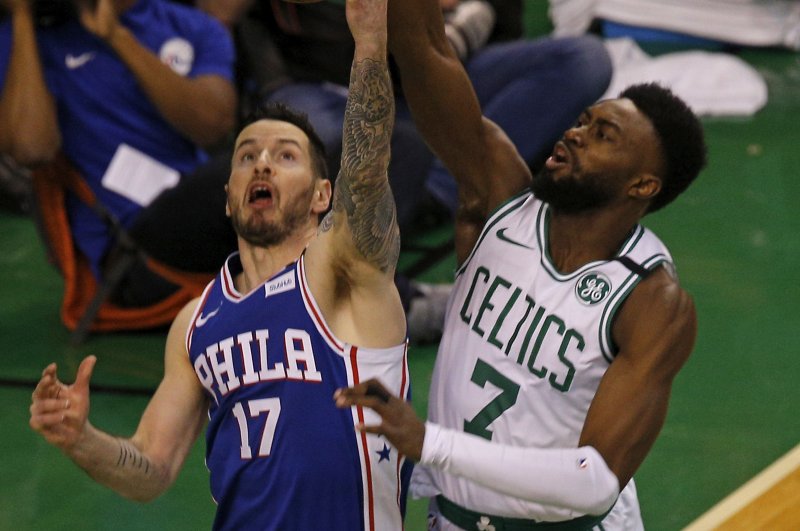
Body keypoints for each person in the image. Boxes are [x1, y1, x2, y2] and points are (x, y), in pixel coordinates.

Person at [29, 0, 411, 528]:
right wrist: (82, 439)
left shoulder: (342, 276)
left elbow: (367, 174)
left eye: (285, 155)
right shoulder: (195, 323)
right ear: (228, 196)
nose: (262, 162)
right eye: (247, 154)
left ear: (324, 194)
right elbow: (150, 467)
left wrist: (369, 45)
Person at [333, 0, 708, 529]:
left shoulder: (651, 302)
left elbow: (594, 480)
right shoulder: (498, 195)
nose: (576, 133)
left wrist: (430, 442)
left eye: (604, 136)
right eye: (583, 121)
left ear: (642, 185)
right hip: (455, 518)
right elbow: (427, 51)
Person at [0, 0, 237, 310]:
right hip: (132, 251)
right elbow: (31, 149)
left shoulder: (191, 25)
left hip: (201, 211)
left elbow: (214, 124)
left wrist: (118, 38)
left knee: (279, 161)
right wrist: (21, 15)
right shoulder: (28, 42)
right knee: (239, 177)